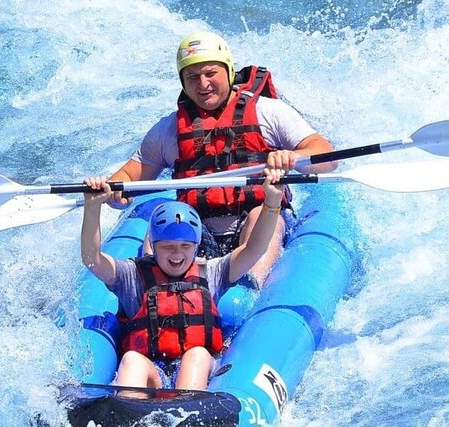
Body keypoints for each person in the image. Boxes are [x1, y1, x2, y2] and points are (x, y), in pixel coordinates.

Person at [105, 31, 336, 286]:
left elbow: (326, 157)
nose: (203, 84)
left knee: (261, 214)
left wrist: (293, 157)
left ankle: (249, 289)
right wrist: (114, 192)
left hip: (259, 220)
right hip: (196, 228)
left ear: (228, 71)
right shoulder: (168, 130)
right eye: (192, 76)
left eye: (210, 73)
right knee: (168, 215)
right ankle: (156, 294)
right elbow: (129, 177)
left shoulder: (268, 112)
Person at [80, 169, 285, 390]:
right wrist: (93, 207)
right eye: (168, 247)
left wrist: (272, 202)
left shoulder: (212, 272)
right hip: (153, 371)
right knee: (132, 359)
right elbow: (92, 259)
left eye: (185, 247)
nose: (177, 254)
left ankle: (188, 409)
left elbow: (255, 249)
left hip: (198, 371)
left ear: (196, 247)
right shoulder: (132, 276)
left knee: (196, 355)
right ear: (154, 247)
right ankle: (127, 411)